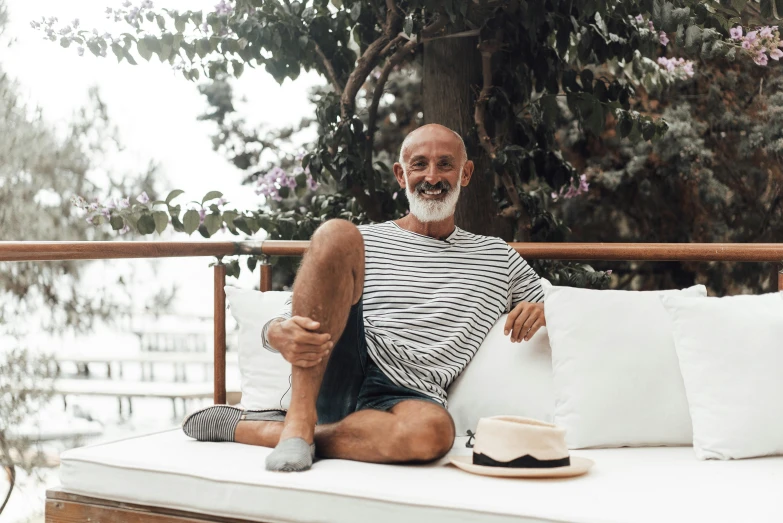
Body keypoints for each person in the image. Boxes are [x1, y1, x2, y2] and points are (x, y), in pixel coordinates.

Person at [183, 123, 546, 472]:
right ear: (401, 175)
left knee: (433, 435)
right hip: (341, 363)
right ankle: (298, 420)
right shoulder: (365, 240)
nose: (432, 177)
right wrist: (275, 331)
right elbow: (294, 311)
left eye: (445, 164)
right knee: (337, 233)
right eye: (419, 164)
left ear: (465, 174)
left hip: (411, 393)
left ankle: (261, 430)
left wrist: (542, 308)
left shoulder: (498, 257)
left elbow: (559, 304)